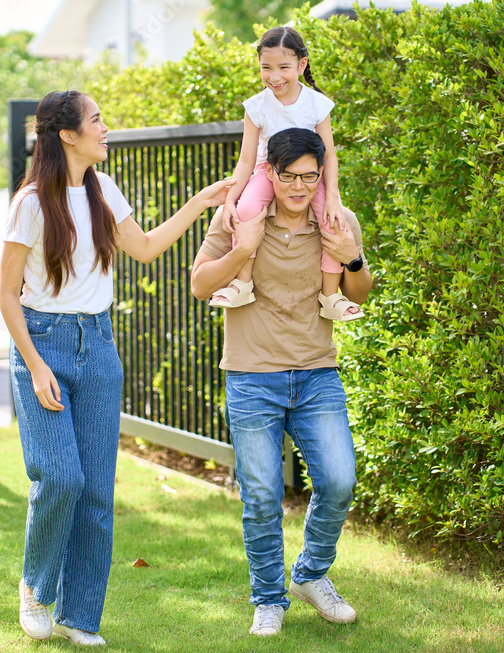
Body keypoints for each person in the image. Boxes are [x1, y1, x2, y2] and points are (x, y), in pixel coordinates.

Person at [0, 90, 233, 646]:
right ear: (68, 135)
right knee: (60, 477)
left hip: (98, 347)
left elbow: (147, 247)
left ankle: (80, 616)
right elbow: (7, 295)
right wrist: (34, 366)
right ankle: (35, 588)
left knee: (98, 493)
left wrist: (201, 202)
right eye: (97, 120)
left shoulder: (105, 190)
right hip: (43, 343)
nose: (107, 128)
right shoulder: (30, 203)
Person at [190, 128, 372, 636]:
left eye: (309, 177)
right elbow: (200, 284)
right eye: (288, 176)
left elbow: (360, 290)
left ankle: (310, 575)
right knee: (263, 495)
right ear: (269, 173)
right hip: (252, 377)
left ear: (321, 175)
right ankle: (268, 598)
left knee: (339, 480)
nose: (299, 187)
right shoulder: (238, 217)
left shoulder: (336, 219)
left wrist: (351, 255)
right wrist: (239, 251)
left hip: (317, 374)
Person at [208, 26, 363, 323]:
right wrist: (231, 200)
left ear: (301, 65)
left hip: (307, 177)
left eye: (283, 67)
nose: (274, 77)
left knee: (333, 222)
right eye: (266, 68)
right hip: (267, 173)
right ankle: (243, 283)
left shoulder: (317, 104)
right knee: (248, 210)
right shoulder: (256, 107)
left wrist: (331, 198)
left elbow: (329, 156)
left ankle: (330, 296)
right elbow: (245, 160)